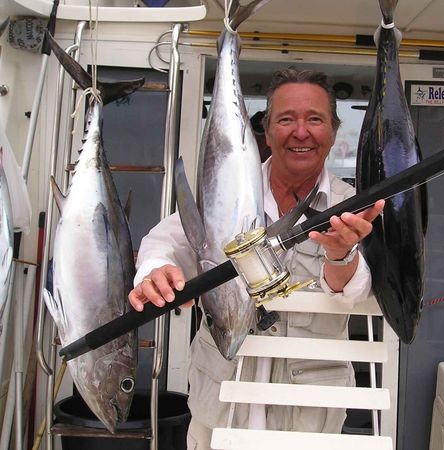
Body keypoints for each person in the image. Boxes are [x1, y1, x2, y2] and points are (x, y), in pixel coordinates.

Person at [128, 67, 385, 449]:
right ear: (266, 130)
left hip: (310, 419)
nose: (301, 132)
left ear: (333, 130)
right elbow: (164, 241)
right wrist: (155, 270)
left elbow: (360, 291)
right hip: (218, 411)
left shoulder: (355, 207)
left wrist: (341, 254)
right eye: (286, 119)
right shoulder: (224, 194)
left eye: (315, 119)